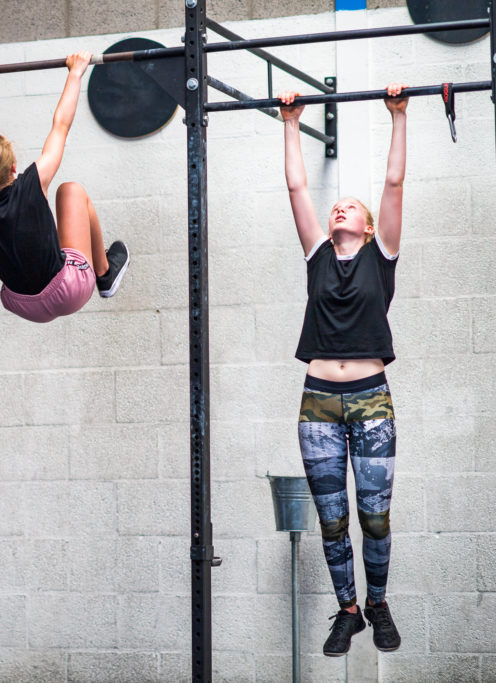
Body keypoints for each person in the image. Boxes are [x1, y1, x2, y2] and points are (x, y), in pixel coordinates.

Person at [279, 83, 407, 657]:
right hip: (318, 405)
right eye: (338, 207)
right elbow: (297, 186)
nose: (339, 208)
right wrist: (290, 121)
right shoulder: (317, 256)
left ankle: (378, 603)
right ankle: (349, 610)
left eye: (350, 206)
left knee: (373, 517)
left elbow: (394, 184)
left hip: (371, 400)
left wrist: (398, 115)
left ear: (369, 225)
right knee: (332, 520)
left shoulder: (383, 257)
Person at [0, 53, 129, 323]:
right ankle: (105, 273)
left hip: (21, 303)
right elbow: (61, 125)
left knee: (48, 242)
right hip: (66, 291)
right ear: (14, 166)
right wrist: (76, 72)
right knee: (70, 191)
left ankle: (101, 274)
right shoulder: (33, 182)